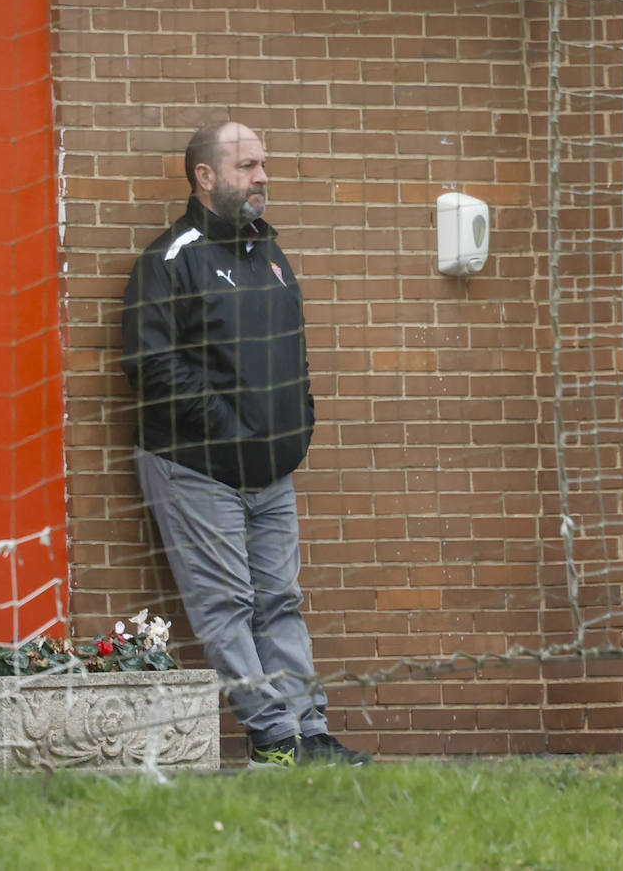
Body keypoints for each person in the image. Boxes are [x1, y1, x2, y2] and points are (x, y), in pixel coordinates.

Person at [121, 121, 370, 768]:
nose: (262, 177)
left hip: (271, 469)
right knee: (228, 607)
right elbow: (149, 364)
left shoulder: (273, 258)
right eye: (247, 166)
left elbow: (295, 356)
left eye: (263, 165)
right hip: (195, 467)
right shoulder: (168, 260)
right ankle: (274, 739)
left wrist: (298, 424)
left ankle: (309, 733)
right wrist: (231, 428)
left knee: (281, 602)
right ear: (205, 176)